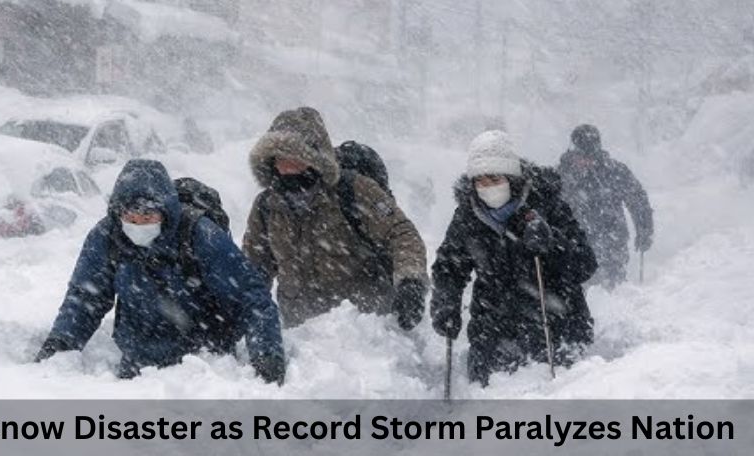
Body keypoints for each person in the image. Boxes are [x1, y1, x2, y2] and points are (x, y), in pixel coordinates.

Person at [34, 159, 286, 384]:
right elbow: (85, 298)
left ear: (165, 212)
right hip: (139, 355)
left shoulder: (200, 234)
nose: (138, 226)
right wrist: (60, 345)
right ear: (119, 212)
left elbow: (251, 297)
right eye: (131, 219)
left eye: (148, 218)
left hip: (205, 361)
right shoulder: (106, 236)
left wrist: (267, 355)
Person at [431, 130, 597, 386]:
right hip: (493, 324)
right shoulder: (468, 215)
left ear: (512, 177)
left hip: (555, 320)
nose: (488, 188)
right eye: (481, 181)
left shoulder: (546, 204)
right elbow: (449, 266)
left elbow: (586, 263)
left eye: (495, 179)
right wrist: (446, 303)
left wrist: (552, 244)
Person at [243, 107, 428, 329]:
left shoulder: (354, 190)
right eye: (280, 159)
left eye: (296, 158)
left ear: (315, 159)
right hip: (302, 338)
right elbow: (253, 271)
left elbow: (400, 233)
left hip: (365, 333)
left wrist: (410, 281)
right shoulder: (266, 207)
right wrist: (242, 312)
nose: (288, 168)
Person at [557, 124, 654, 287]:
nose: (585, 162)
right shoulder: (560, 175)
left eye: (590, 157)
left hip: (611, 242)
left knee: (612, 287)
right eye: (580, 156)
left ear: (597, 152)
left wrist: (644, 229)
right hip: (573, 244)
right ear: (573, 152)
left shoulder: (615, 172)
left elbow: (638, 201)